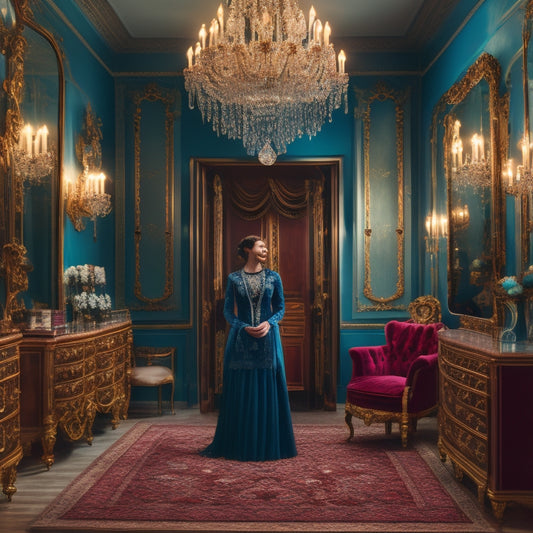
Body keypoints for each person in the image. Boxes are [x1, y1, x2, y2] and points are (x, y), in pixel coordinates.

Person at [200, 235, 297, 461]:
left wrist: (269, 323)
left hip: (268, 338)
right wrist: (243, 327)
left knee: (267, 387)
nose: (265, 249)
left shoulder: (274, 277)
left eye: (265, 246)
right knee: (242, 388)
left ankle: (268, 444)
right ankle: (239, 444)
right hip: (241, 340)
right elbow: (227, 312)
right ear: (247, 249)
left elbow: (280, 308)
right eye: (261, 245)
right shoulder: (234, 279)